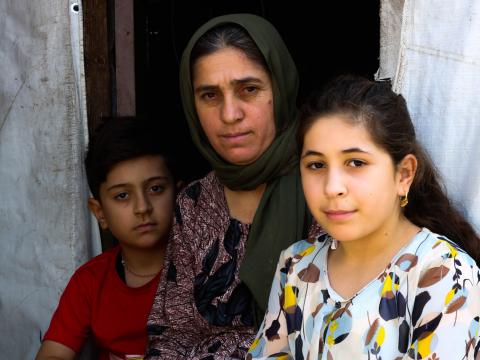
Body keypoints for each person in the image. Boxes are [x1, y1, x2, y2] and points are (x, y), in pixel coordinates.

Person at [247, 75, 480, 359]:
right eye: (316, 164)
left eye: (356, 163)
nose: (333, 187)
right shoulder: (296, 268)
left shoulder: (444, 276)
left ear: (403, 175)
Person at [146, 14, 321, 359]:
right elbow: (170, 334)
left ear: (281, 88)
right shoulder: (194, 204)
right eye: (209, 95)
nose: (229, 114)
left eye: (249, 89)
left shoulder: (328, 190)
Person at [36, 118, 178, 360]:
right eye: (122, 195)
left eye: (155, 189)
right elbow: (53, 354)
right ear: (100, 212)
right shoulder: (90, 283)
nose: (142, 207)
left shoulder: (204, 270)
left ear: (180, 195)